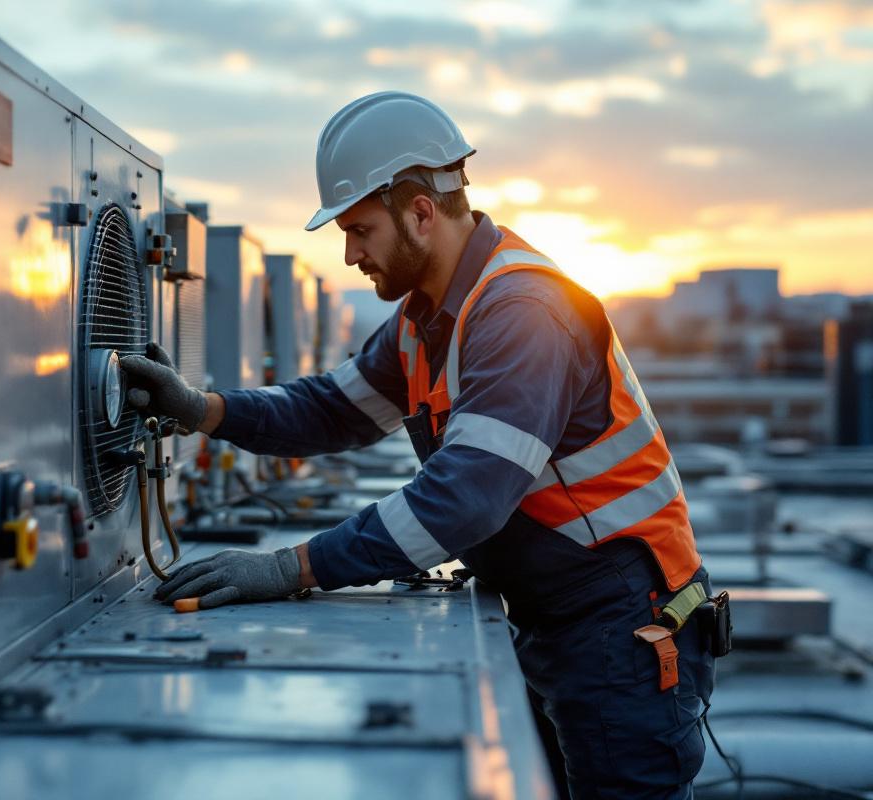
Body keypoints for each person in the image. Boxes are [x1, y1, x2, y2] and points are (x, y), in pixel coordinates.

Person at [122, 91, 714, 799]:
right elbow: (331, 410)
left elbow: (461, 503)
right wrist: (203, 409)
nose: (350, 255)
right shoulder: (426, 319)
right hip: (562, 618)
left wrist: (291, 568)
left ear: (421, 212)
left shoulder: (521, 313)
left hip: (622, 626)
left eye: (361, 229)